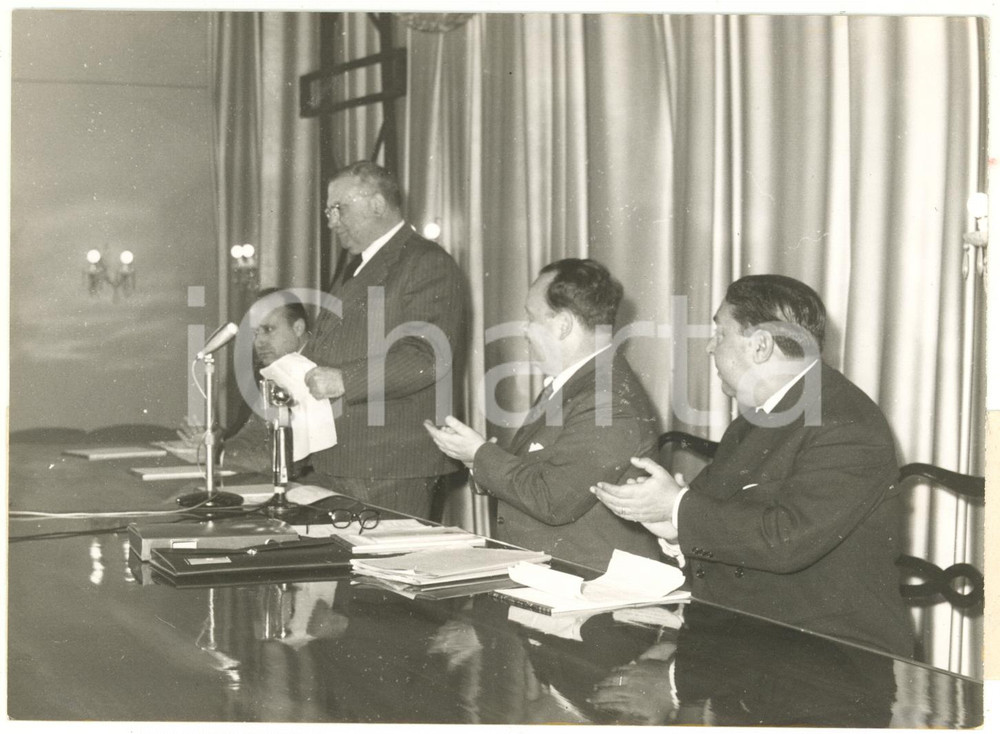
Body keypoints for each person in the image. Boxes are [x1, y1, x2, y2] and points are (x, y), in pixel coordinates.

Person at [591, 274, 913, 657]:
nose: (711, 348)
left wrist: (678, 508)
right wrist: (673, 528)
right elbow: (717, 520)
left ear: (761, 345)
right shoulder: (760, 417)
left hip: (832, 655)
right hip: (759, 640)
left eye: (720, 334)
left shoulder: (845, 424)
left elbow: (783, 541)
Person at [424, 258, 660, 571]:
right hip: (552, 574)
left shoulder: (608, 401)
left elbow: (553, 499)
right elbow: (543, 470)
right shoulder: (577, 384)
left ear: (563, 325)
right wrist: (475, 458)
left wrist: (481, 454)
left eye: (531, 318)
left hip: (585, 585)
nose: (524, 329)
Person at [302, 160, 469, 519]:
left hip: (389, 464)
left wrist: (343, 379)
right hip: (345, 457)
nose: (330, 222)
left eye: (338, 209)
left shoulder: (426, 263)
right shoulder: (360, 266)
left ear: (376, 204)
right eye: (328, 211)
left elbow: (427, 356)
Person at [177, 287, 309, 475]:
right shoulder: (274, 371)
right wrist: (213, 442)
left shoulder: (315, 371)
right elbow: (252, 435)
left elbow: (284, 459)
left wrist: (217, 453)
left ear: (298, 328)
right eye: (255, 333)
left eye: (268, 330)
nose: (259, 342)